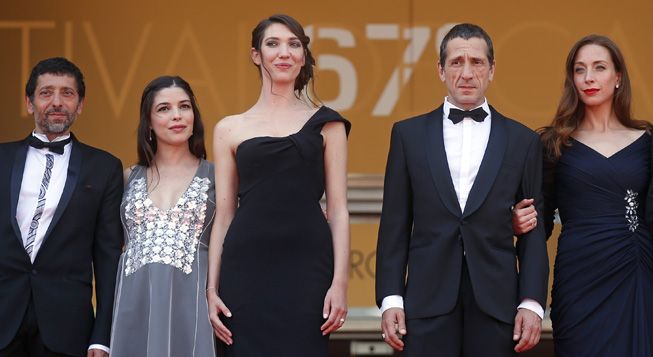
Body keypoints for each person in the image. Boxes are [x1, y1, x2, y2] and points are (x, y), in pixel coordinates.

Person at [375, 23, 549, 356]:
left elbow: (533, 229)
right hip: (425, 303)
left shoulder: (523, 141)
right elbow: (394, 225)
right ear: (441, 70)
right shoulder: (407, 136)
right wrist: (391, 298)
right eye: (456, 62)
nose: (466, 73)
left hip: (497, 303)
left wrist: (531, 302)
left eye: (477, 62)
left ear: (492, 69)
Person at [206, 13, 351, 356]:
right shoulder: (229, 128)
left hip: (309, 271)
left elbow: (339, 210)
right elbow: (224, 216)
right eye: (273, 44)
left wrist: (340, 283)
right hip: (244, 272)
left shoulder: (328, 124)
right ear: (256, 55)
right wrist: (211, 290)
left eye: (293, 44)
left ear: (303, 56)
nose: (284, 52)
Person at [513, 34, 653, 356]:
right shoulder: (552, 144)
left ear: (618, 77)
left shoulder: (647, 141)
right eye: (579, 70)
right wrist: (514, 222)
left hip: (636, 272)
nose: (588, 77)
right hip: (579, 278)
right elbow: (538, 224)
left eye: (599, 67)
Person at [0, 57, 123, 356]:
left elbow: (107, 257)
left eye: (67, 93)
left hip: (68, 327)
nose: (57, 102)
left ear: (80, 104)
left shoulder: (104, 167)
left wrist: (102, 335)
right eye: (46, 93)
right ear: (30, 103)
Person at [109, 76, 216, 356]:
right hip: (134, 303)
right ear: (149, 122)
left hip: (192, 302)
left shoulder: (219, 177)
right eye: (164, 108)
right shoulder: (126, 178)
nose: (177, 116)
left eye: (184, 106)